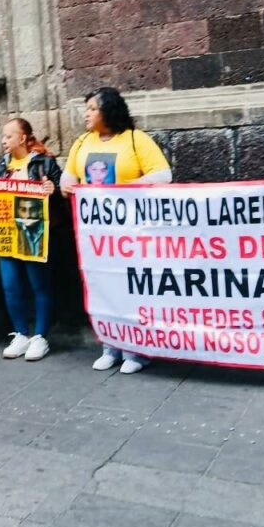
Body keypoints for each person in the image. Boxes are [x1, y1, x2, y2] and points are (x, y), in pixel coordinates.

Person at [61, 87, 172, 375]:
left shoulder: (136, 140)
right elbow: (68, 176)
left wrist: (123, 191)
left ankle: (136, 350)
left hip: (130, 232)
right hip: (95, 235)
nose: (86, 114)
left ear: (108, 111)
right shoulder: (82, 142)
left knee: (130, 288)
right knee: (102, 288)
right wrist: (67, 184)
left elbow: (163, 175)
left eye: (92, 109)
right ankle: (110, 345)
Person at [0, 117, 60, 361]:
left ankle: (40, 336)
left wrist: (53, 190)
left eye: (9, 136)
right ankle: (20, 334)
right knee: (11, 286)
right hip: (6, 234)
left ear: (23, 138)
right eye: (4, 136)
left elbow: (61, 191)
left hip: (34, 233)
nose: (4, 141)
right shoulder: (2, 166)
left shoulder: (44, 163)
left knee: (40, 285)